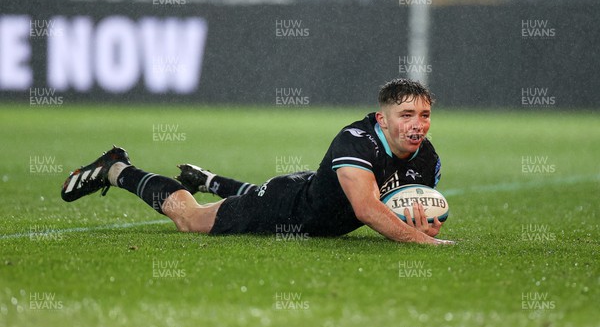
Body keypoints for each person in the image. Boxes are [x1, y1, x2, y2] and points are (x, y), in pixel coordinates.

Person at [61, 78, 453, 245]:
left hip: (311, 194)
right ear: (383, 119)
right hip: (288, 206)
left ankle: (208, 178)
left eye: (424, 115)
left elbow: (404, 205)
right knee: (192, 220)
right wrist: (422, 243)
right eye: (406, 115)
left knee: (260, 196)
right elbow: (367, 208)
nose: (417, 125)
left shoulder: (428, 158)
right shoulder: (356, 139)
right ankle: (116, 169)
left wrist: (420, 223)